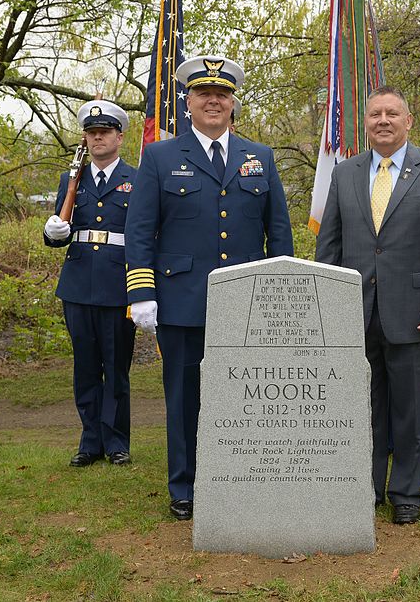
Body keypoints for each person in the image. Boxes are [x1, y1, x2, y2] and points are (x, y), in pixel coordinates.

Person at [124, 54, 294, 520]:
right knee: (184, 398)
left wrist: (278, 294)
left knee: (248, 396)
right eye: (204, 95)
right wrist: (141, 292)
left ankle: (242, 478)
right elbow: (140, 230)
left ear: (233, 103)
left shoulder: (259, 156)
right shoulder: (160, 156)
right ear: (189, 102)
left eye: (221, 95)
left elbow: (277, 231)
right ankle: (185, 487)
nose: (213, 102)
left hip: (247, 301)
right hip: (181, 300)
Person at [315, 86, 420, 525]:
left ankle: (406, 493)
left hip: (416, 312)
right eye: (375, 113)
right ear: (366, 121)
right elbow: (330, 247)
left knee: (410, 409)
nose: (383, 120)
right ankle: (366, 488)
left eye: (392, 113)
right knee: (361, 407)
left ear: (408, 121)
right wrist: (327, 305)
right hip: (355, 311)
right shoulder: (345, 174)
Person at [44, 99, 137, 468]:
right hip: (79, 283)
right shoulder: (71, 180)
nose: (98, 138)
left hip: (118, 283)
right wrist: (53, 233)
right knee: (85, 364)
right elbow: (59, 234)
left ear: (119, 137)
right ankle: (89, 440)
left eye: (105, 132)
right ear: (85, 138)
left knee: (115, 365)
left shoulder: (138, 178)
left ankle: (116, 441)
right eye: (92, 133)